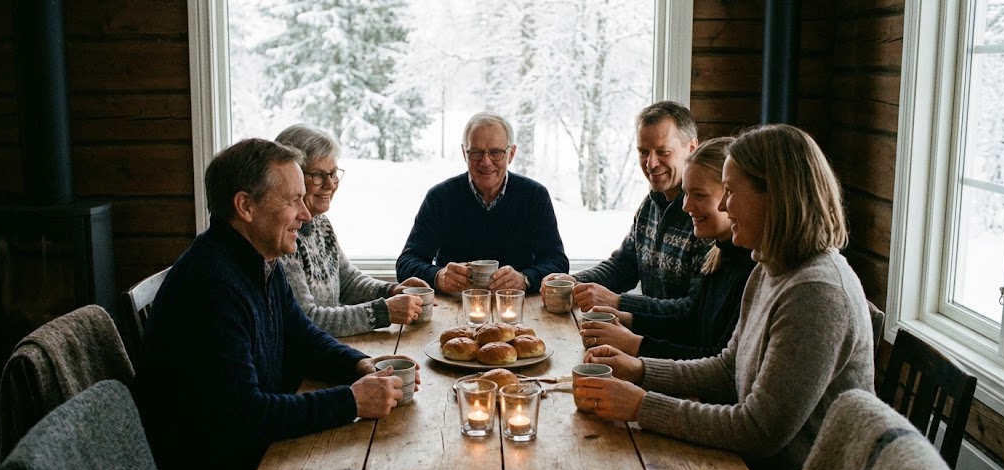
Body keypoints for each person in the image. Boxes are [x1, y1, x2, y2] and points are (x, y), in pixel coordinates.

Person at [131, 138, 417, 470]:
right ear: (245, 206)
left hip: (253, 456)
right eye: (293, 201)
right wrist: (350, 402)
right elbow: (244, 417)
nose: (305, 215)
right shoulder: (211, 287)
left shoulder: (258, 259)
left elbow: (301, 336)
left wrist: (360, 365)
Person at [576, 124, 875, 470]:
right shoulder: (771, 267)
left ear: (776, 196)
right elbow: (726, 367)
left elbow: (758, 430)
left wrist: (641, 405)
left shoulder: (817, 292)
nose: (722, 206)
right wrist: (639, 369)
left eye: (730, 192)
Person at [579, 137, 755, 360]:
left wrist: (634, 344)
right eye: (686, 193)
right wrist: (628, 319)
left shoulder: (752, 267)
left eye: (699, 195)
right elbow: (690, 319)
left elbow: (717, 363)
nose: (686, 206)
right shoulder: (720, 253)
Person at [542, 100, 711, 314]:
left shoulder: (703, 216)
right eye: (643, 152)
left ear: (692, 148)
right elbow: (624, 266)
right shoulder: (650, 204)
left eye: (663, 152)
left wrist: (618, 303)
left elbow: (693, 311)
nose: (651, 163)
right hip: (647, 334)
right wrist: (574, 281)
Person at [275, 124, 430, 337]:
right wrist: (384, 311)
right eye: (318, 175)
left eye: (333, 173)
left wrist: (391, 291)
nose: (330, 184)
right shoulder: (283, 236)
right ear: (293, 178)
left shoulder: (320, 223)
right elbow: (308, 319)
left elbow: (347, 281)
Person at [396, 111, 569, 294]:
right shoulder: (440, 197)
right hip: (452, 308)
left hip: (520, 307)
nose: (486, 162)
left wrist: (525, 278)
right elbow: (406, 263)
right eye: (476, 153)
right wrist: (438, 276)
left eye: (496, 152)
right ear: (464, 153)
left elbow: (557, 263)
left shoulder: (534, 196)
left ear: (511, 154)